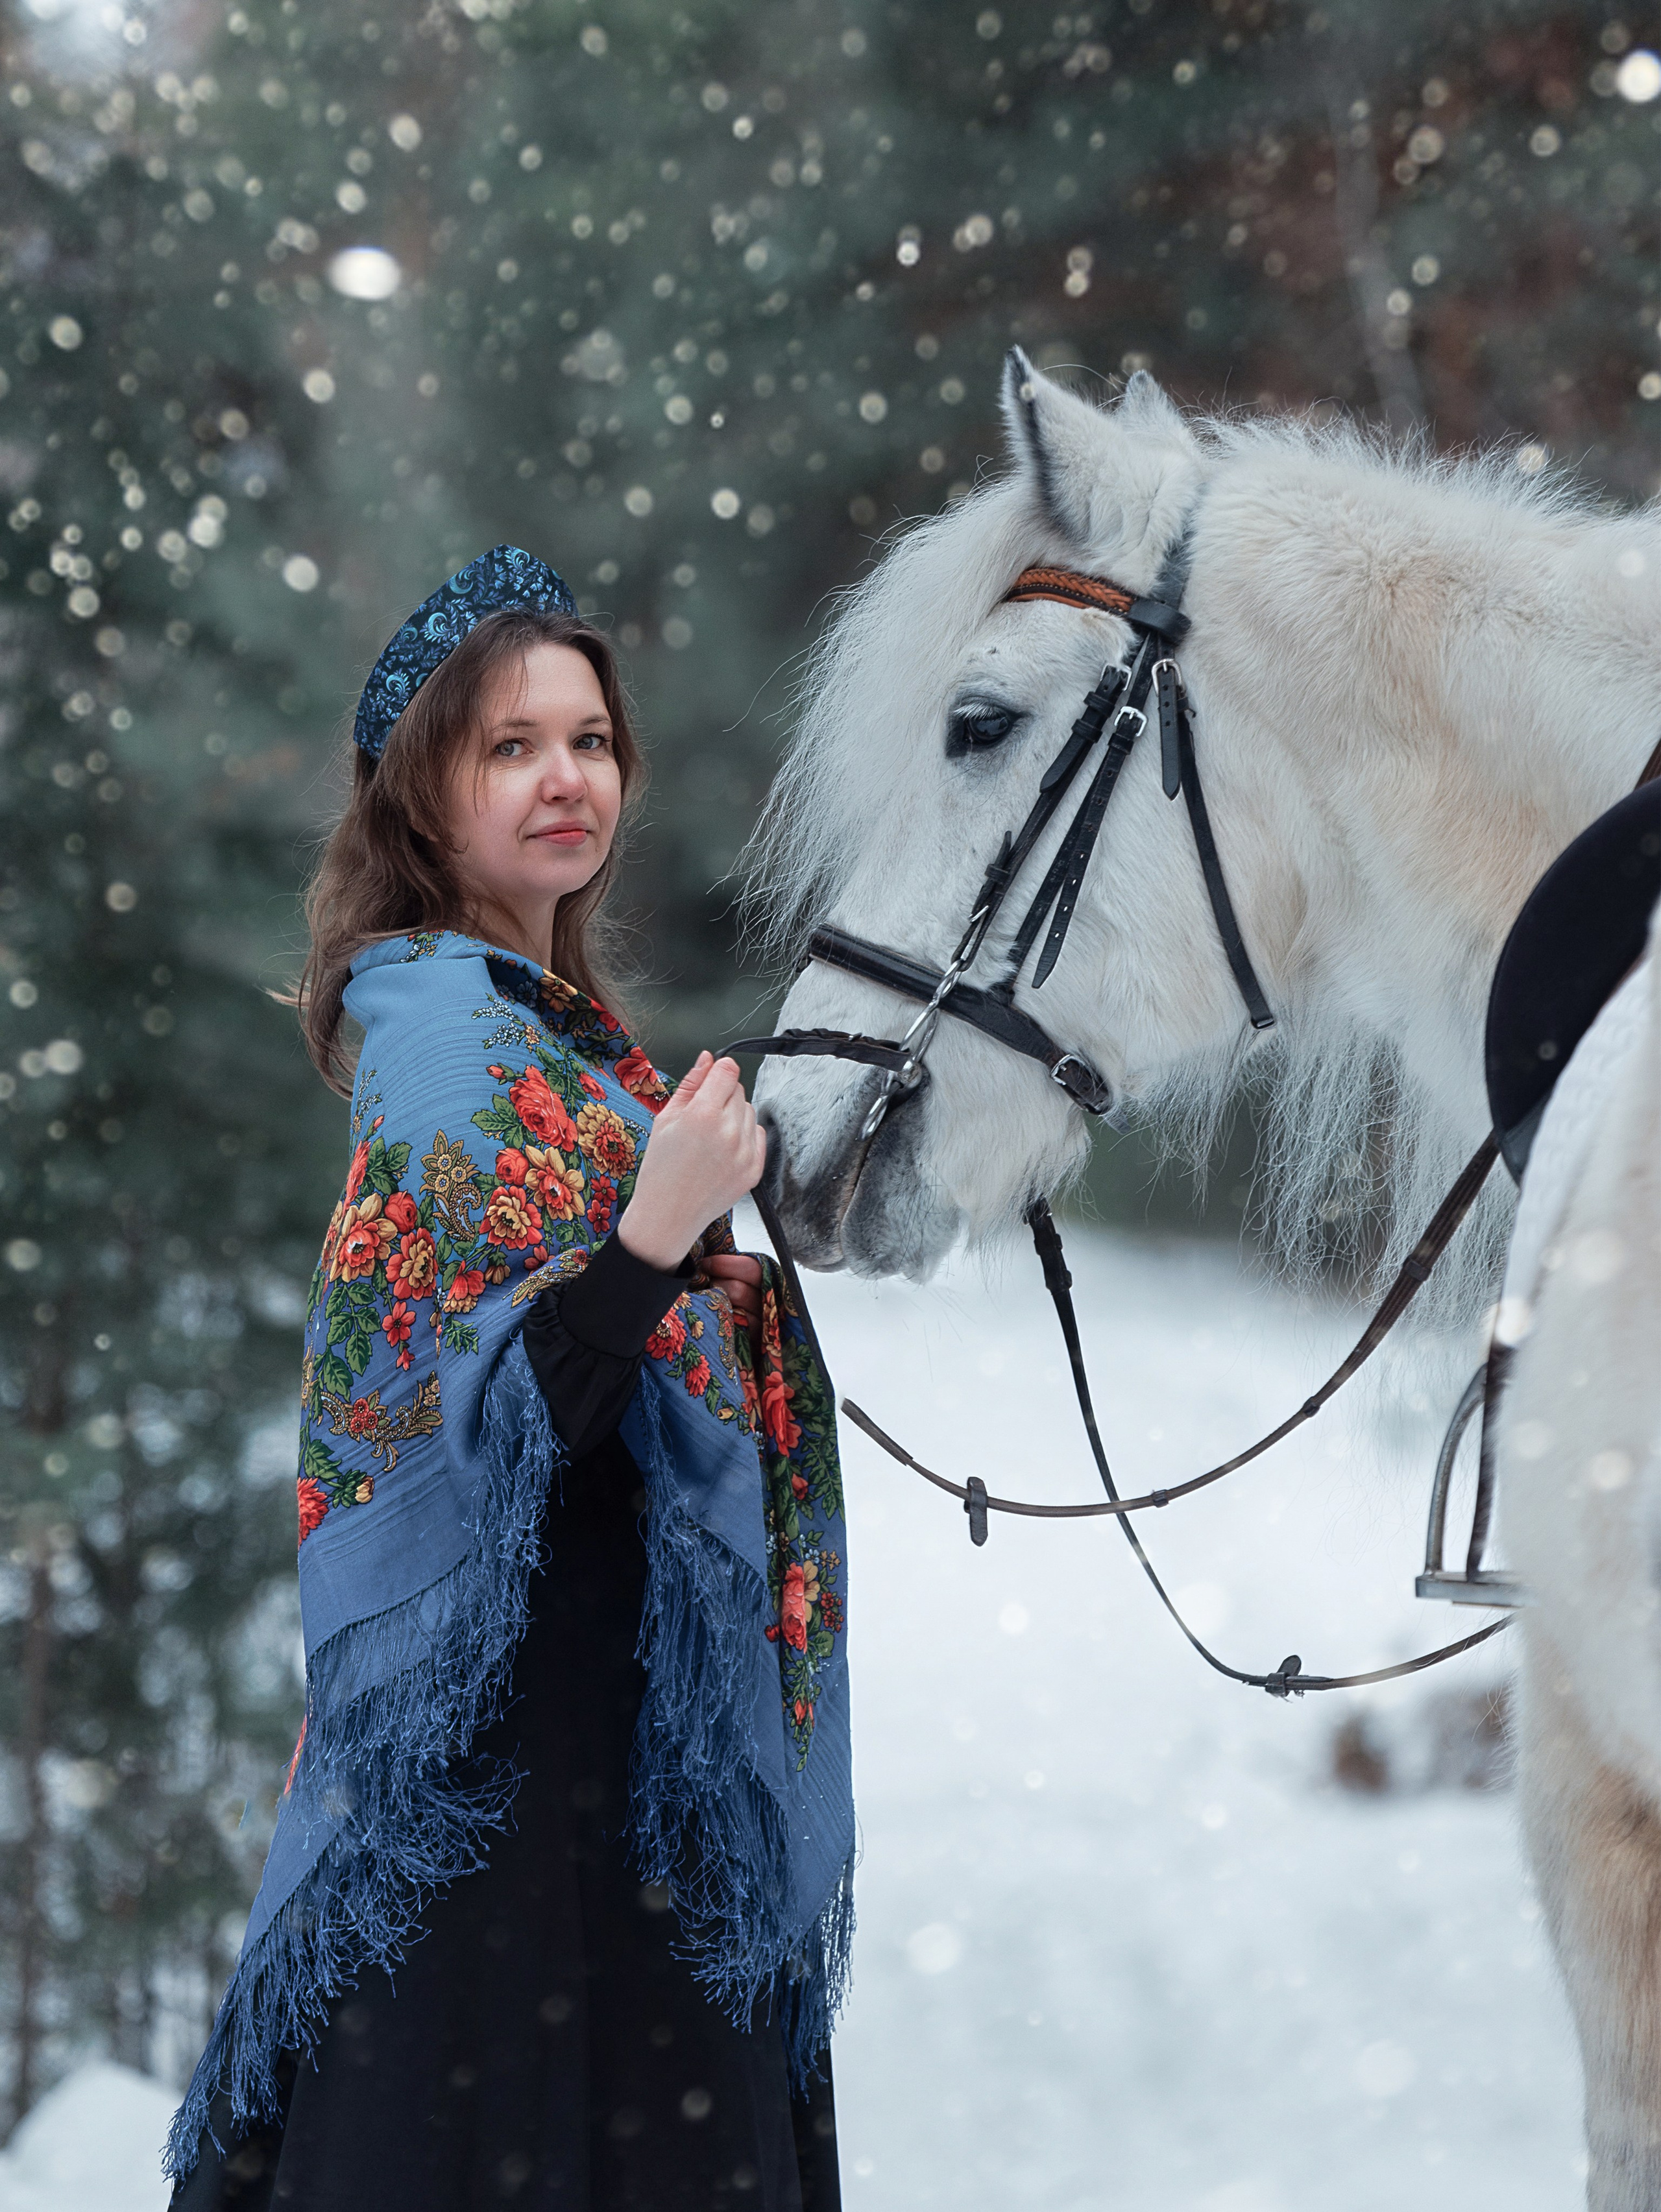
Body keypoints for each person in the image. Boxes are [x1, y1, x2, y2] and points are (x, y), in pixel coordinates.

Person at [165, 547, 852, 2212]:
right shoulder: (441, 1043)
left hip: (612, 1731)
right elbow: (489, 1425)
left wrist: (688, 1241)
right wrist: (654, 1236)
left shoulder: (555, 1032)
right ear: (425, 794)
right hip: (513, 1761)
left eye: (591, 740)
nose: (567, 778)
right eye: (511, 747)